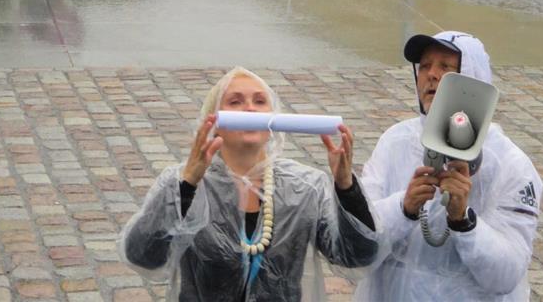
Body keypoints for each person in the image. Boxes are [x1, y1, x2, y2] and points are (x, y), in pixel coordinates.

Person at [120, 66, 379, 301]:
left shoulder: (304, 188)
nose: (250, 109)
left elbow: (357, 256)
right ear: (214, 122)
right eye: (235, 102)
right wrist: (187, 184)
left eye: (259, 101)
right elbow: (143, 256)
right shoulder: (187, 183)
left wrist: (346, 188)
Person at [356, 31, 542, 302]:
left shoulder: (511, 165)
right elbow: (358, 245)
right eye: (424, 66)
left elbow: (505, 274)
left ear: (472, 80)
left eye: (446, 67)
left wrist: (463, 222)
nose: (431, 74)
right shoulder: (394, 143)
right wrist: (404, 209)